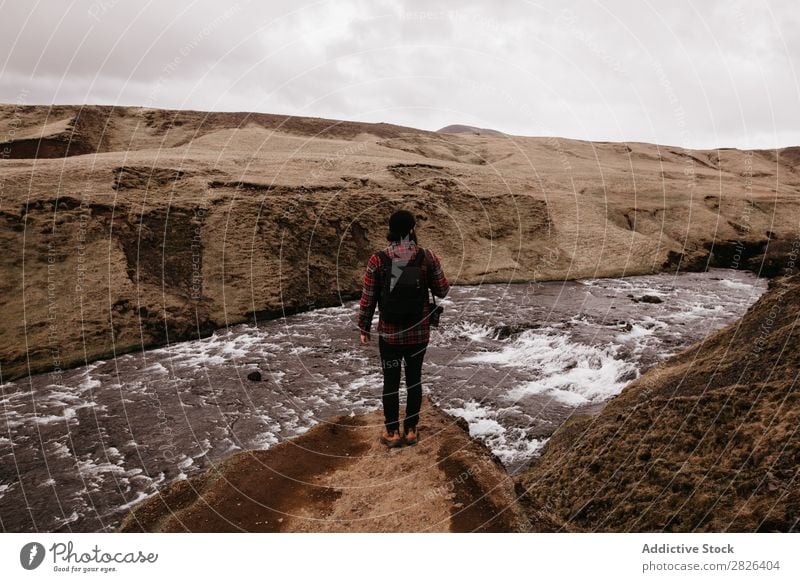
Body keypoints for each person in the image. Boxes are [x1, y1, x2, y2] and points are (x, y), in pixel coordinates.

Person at [356, 209, 450, 448]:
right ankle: (410, 430)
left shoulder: (378, 259)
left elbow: (368, 297)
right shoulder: (427, 257)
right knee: (414, 379)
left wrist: (364, 327)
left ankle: (392, 432)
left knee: (390, 380)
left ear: (390, 230)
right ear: (411, 229)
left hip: (389, 333)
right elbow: (442, 290)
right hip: (419, 333)